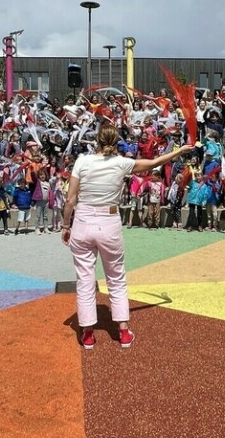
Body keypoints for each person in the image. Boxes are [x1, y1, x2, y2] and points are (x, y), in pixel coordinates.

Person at [61, 124, 192, 350]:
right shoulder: (121, 162)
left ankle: (88, 333)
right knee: (116, 278)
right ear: (116, 142)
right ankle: (122, 331)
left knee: (84, 279)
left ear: (97, 141)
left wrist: (65, 225)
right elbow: (153, 163)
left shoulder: (82, 161)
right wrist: (178, 151)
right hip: (109, 222)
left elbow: (70, 199)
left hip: (82, 220)